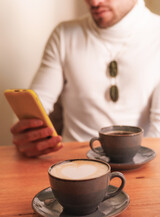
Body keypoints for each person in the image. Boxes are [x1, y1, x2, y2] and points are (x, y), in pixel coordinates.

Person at [11, 0, 160, 157]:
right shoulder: (64, 35)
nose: (94, 2)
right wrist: (27, 133)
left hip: (138, 161)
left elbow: (157, 136)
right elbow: (36, 106)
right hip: (72, 163)